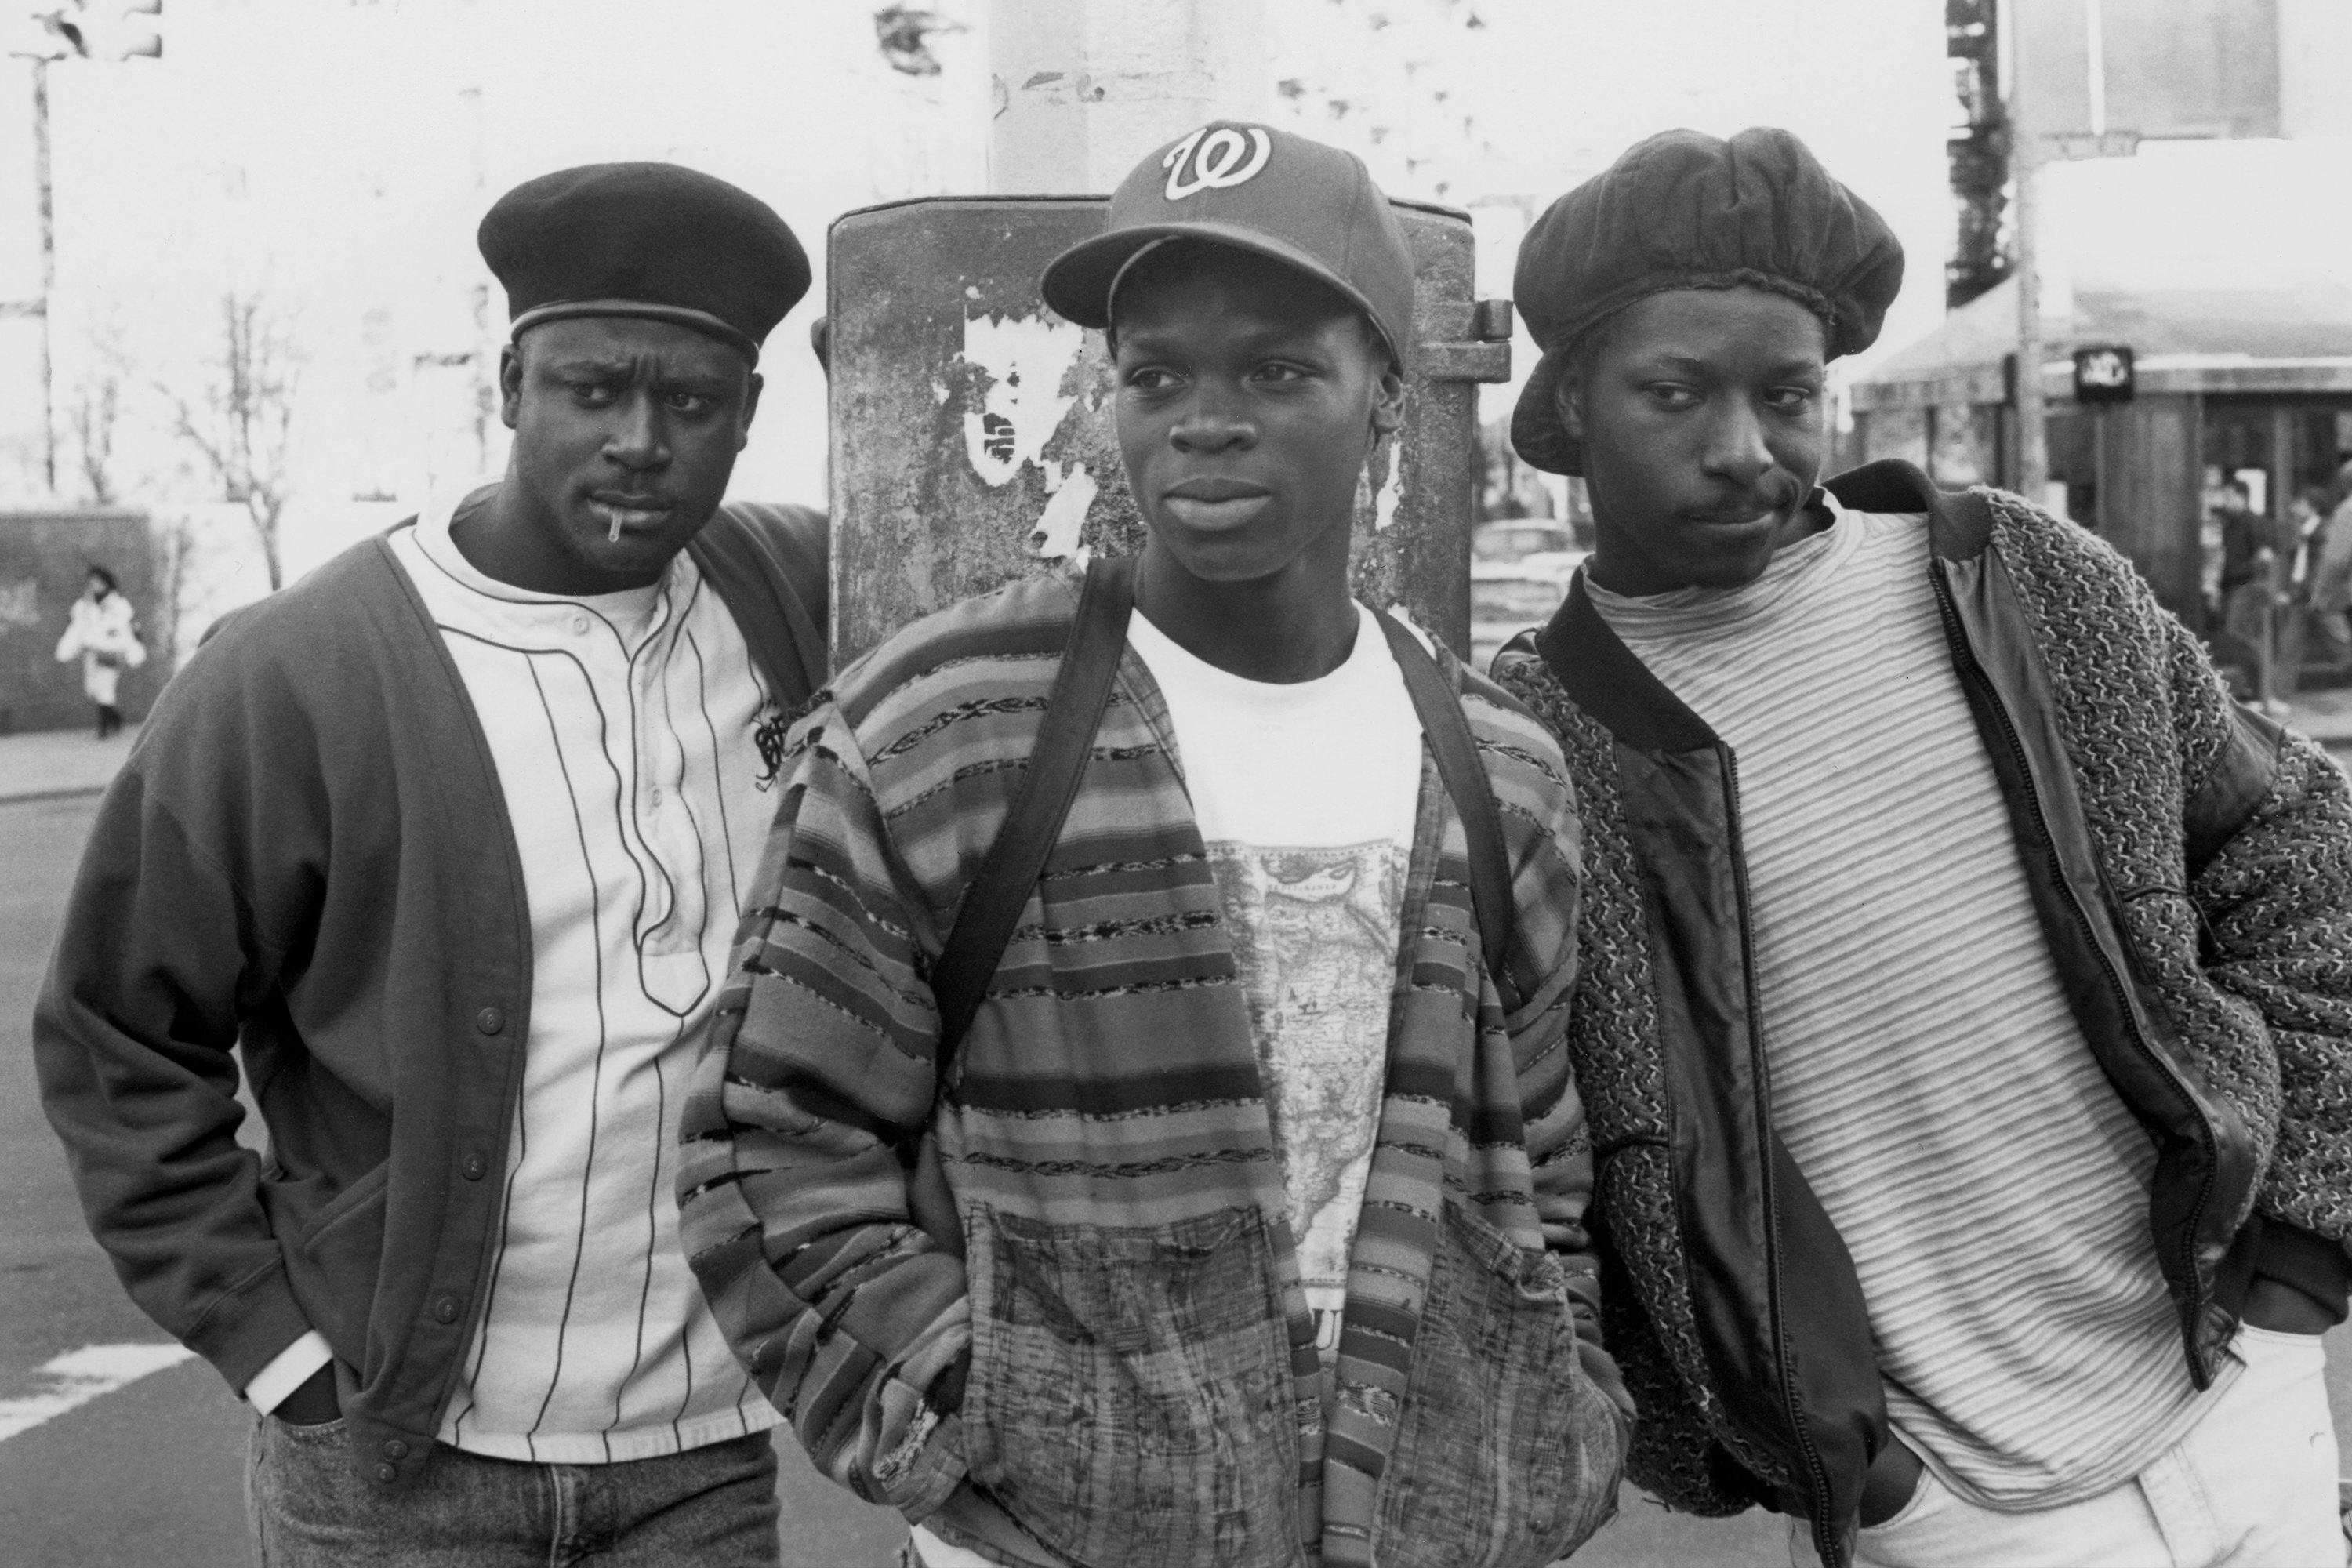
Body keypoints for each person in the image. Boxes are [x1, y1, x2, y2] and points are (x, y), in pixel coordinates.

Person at [677, 122, 1629, 1568]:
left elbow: (1540, 1162)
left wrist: (1561, 1420)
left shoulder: (1500, 771)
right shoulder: (947, 731)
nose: (1206, 417)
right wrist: (975, 1427)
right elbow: (768, 1147)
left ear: (1386, 394)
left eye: (1276, 369)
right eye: (1158, 372)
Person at [1490, 127, 2352, 1568]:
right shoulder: (1535, 743)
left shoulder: (2021, 583)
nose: (1742, 448)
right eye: (1675, 392)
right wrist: (1818, 1454)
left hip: (2236, 1397)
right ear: (1572, 402)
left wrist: (2305, 1265)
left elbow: (2296, 841)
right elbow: (1538, 1152)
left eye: (1787, 395)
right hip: (1954, 1507)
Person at [35, 162, 829, 1566]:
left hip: (702, 1452)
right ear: (513, 379)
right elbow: (116, 1032)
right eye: (592, 388)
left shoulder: (792, 598)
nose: (640, 441)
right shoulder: (302, 669)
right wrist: (275, 1351)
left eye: (693, 403)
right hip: (400, 1464)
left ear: (752, 414)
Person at [53, 563, 143, 737]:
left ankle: (104, 729)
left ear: (106, 583)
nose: (94, 585)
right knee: (93, 689)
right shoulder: (84, 607)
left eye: (98, 582)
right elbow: (75, 630)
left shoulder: (120, 606)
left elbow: (130, 631)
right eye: (92, 582)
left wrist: (134, 652)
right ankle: (115, 719)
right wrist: (67, 649)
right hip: (91, 654)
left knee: (105, 687)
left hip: (110, 654)